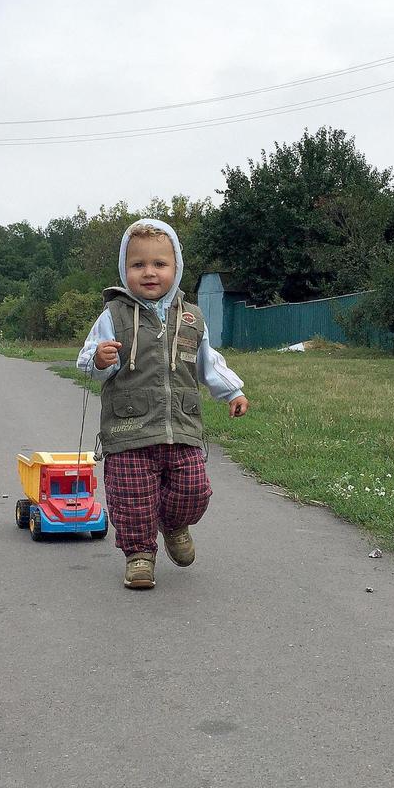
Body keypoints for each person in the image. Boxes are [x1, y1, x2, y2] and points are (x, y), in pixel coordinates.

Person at [77, 219, 249, 589]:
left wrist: (232, 391)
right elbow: (89, 360)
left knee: (193, 490)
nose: (149, 272)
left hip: (182, 427)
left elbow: (207, 362)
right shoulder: (114, 315)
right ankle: (139, 555)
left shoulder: (191, 317)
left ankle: (174, 525)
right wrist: (100, 360)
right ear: (125, 269)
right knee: (132, 498)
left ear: (176, 267)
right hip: (129, 429)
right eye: (138, 265)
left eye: (159, 264)